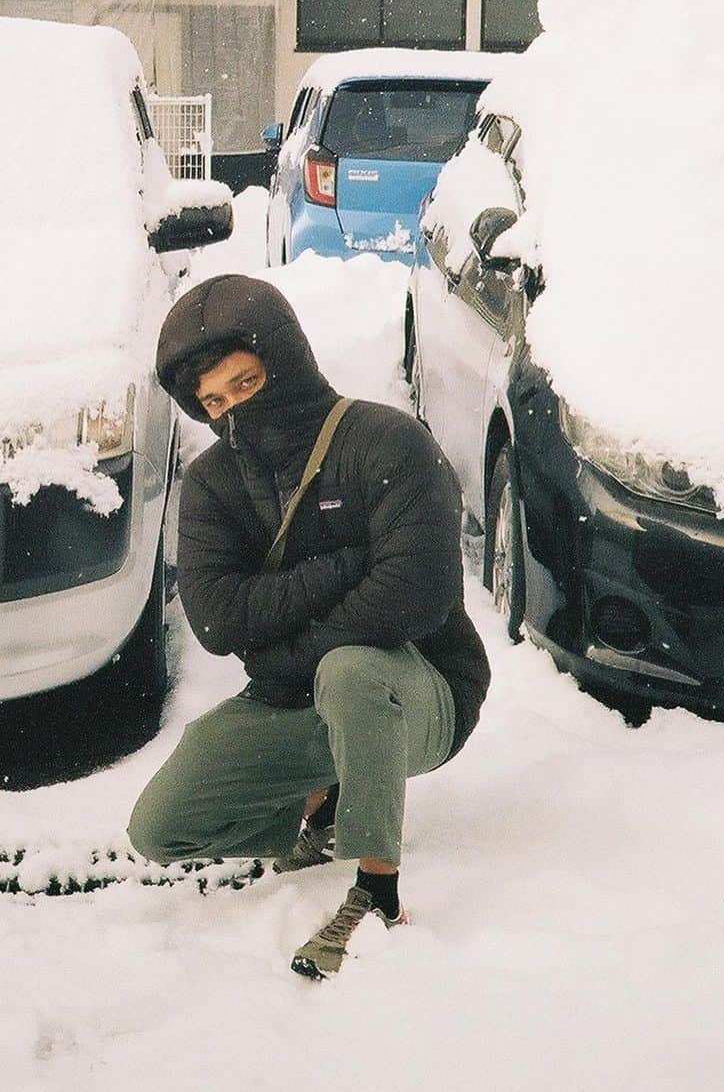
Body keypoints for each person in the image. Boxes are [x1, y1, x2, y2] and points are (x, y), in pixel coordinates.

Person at [128, 274, 490, 979]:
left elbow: (415, 596)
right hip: (297, 697)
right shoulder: (212, 484)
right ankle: (318, 806)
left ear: (285, 361)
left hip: (425, 689)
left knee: (351, 670)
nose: (235, 408)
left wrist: (280, 647)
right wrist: (339, 571)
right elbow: (216, 618)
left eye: (246, 381)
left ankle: (376, 884)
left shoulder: (385, 441)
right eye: (214, 401)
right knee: (160, 826)